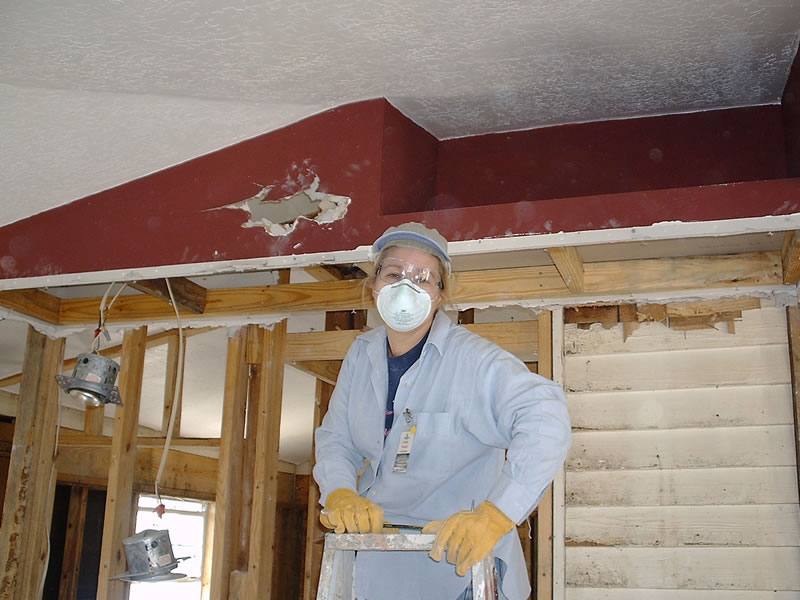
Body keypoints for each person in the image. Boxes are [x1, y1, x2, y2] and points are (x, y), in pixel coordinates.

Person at [313, 222, 571, 600]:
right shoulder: (361, 355)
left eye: (422, 278)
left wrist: (496, 515)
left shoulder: (472, 360)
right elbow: (337, 438)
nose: (406, 287)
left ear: (440, 294)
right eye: (394, 274)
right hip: (380, 567)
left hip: (461, 570)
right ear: (374, 285)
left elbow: (545, 416)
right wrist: (339, 491)